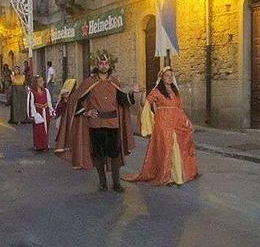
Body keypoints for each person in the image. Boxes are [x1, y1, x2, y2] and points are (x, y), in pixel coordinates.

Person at [55, 52, 140, 192]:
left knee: (115, 154)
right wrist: (86, 112)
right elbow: (75, 100)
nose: (104, 66)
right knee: (99, 154)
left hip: (113, 123)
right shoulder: (89, 82)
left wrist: (132, 93)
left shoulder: (114, 82)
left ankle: (116, 184)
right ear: (97, 65)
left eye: (106, 63)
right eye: (101, 63)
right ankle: (103, 183)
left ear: (109, 65)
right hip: (96, 124)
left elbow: (123, 100)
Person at [123, 66, 199, 186]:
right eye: (166, 76)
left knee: (178, 145)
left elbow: (179, 108)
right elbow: (145, 103)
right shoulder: (156, 91)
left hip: (177, 122)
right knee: (170, 145)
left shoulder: (175, 91)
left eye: (171, 75)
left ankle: (178, 175)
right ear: (162, 78)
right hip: (163, 123)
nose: (169, 78)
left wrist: (187, 121)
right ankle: (169, 176)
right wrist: (143, 93)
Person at [27, 75, 54, 151]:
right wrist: (33, 114)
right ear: (36, 83)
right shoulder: (32, 92)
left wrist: (51, 111)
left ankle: (45, 144)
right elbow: (31, 104)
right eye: (40, 81)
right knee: (38, 129)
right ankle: (38, 145)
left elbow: (49, 102)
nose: (42, 82)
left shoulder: (46, 91)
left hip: (46, 112)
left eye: (43, 81)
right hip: (38, 112)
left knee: (46, 128)